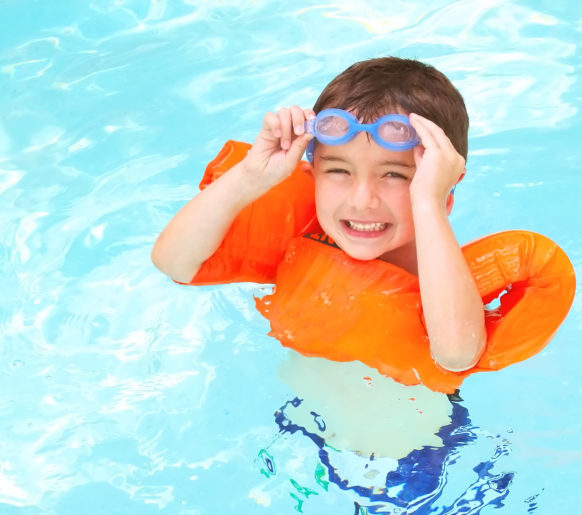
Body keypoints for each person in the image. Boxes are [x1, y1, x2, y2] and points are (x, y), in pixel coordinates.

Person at [152, 56, 487, 374]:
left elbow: (457, 355)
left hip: (424, 431)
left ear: (442, 189)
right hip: (300, 419)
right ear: (312, 177)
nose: (362, 200)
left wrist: (428, 201)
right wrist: (251, 177)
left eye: (395, 175)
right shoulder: (304, 239)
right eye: (340, 171)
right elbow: (173, 263)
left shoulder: (442, 277)